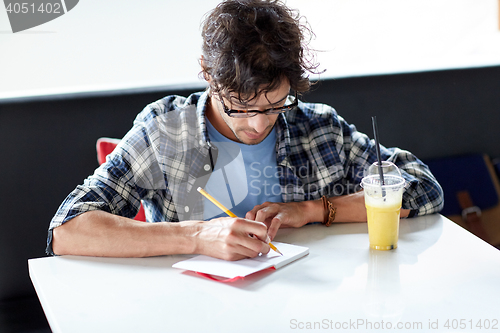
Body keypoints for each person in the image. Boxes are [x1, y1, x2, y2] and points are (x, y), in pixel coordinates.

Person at [47, 0, 443, 260]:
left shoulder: (316, 127)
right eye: (240, 106)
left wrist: (311, 211)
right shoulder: (166, 131)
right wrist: (198, 236)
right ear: (206, 72)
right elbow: (67, 231)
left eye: (274, 106)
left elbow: (422, 189)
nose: (257, 124)